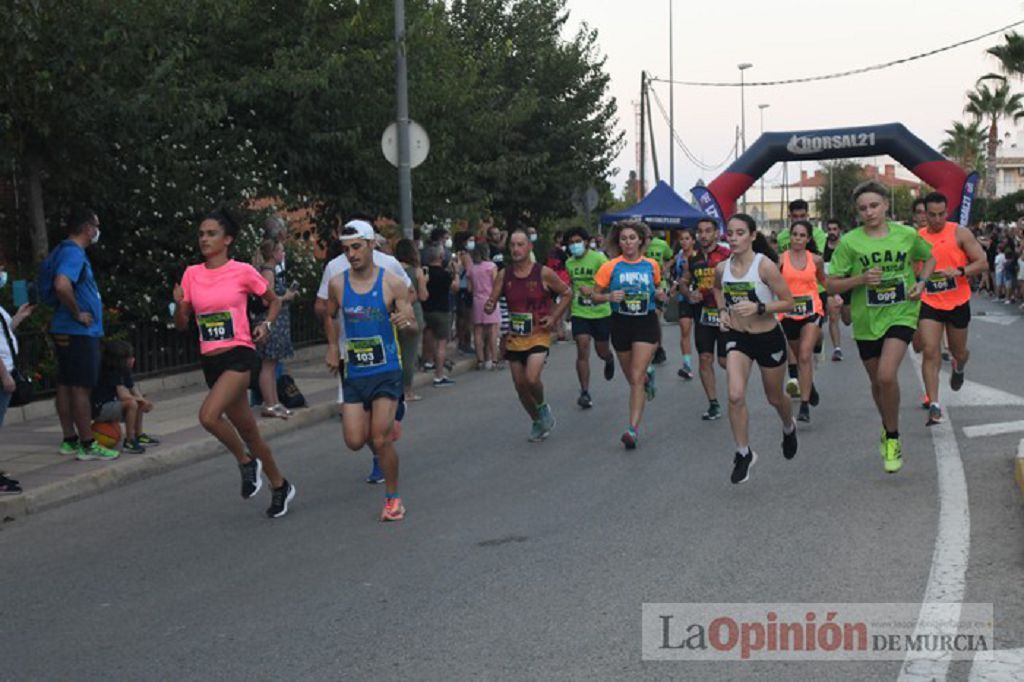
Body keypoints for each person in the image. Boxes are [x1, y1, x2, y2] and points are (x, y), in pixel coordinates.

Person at [173, 208, 296, 518]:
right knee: (251, 432)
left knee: (208, 416)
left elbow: (274, 300)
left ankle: (245, 462)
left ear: (227, 239)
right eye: (201, 233)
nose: (204, 238)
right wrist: (178, 304)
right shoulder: (191, 274)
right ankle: (280, 485)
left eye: (211, 233)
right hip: (211, 361)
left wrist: (266, 325)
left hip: (240, 356)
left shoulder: (242, 271)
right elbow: (182, 324)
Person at [826, 182, 935, 474]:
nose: (869, 212)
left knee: (887, 376)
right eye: (862, 208)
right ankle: (887, 428)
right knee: (878, 384)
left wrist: (921, 283)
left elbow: (929, 257)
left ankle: (894, 437)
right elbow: (831, 282)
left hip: (902, 312)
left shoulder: (907, 235)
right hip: (866, 320)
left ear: (886, 205)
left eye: (874, 205)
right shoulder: (850, 242)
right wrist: (859, 280)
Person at [324, 220, 417, 522]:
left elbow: (410, 321)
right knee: (354, 440)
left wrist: (407, 323)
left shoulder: (392, 282)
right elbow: (330, 316)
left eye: (356, 247)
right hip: (355, 372)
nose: (351, 254)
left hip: (387, 369)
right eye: (346, 249)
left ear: (371, 245)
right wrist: (330, 347)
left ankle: (393, 499)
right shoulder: (337, 283)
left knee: (379, 440)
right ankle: (386, 427)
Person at [715, 214, 797, 483]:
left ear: (752, 236)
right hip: (738, 337)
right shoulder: (721, 268)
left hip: (767, 337)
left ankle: (788, 426)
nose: (734, 238)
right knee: (735, 395)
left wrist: (760, 307)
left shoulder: (765, 267)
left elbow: (788, 302)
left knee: (775, 398)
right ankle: (743, 452)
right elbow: (717, 290)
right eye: (730, 233)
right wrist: (722, 312)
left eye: (740, 233)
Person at [44, 208, 118, 461]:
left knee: (65, 384)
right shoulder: (74, 253)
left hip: (64, 329)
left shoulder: (61, 250)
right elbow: (62, 284)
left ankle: (70, 439)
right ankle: (88, 443)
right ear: (88, 228)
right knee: (80, 387)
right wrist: (77, 313)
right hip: (78, 331)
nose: (98, 230)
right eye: (96, 225)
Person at [484, 228, 571, 441]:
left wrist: (553, 318)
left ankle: (542, 407)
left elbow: (568, 293)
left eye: (520, 244)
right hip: (515, 336)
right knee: (520, 386)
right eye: (513, 245)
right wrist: (489, 305)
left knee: (532, 379)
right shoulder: (504, 275)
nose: (516, 249)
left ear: (529, 247)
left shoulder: (542, 272)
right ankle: (537, 421)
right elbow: (492, 299)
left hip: (538, 333)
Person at [592, 222, 666, 448]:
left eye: (632, 238)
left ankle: (632, 429)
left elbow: (657, 287)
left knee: (634, 378)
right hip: (621, 324)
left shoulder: (651, 265)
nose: (628, 242)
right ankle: (647, 377)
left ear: (641, 241)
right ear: (618, 242)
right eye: (624, 238)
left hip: (645, 323)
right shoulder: (610, 267)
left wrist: (661, 294)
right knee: (632, 377)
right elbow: (594, 295)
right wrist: (608, 297)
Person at [916, 191, 987, 426]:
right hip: (930, 302)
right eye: (932, 215)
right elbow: (911, 270)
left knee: (959, 352)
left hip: (957, 300)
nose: (937, 219)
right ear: (924, 214)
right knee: (930, 350)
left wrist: (959, 271)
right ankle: (934, 405)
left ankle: (959, 366)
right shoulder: (917, 237)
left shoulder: (959, 232)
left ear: (947, 212)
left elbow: (982, 261)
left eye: (941, 214)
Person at [778, 221, 826, 423]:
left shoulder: (816, 260)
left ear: (808, 239)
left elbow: (824, 282)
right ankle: (809, 385)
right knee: (797, 358)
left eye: (802, 235)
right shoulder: (780, 259)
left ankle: (804, 406)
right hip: (788, 314)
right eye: (794, 235)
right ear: (790, 237)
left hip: (812, 310)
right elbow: (771, 282)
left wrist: (836, 296)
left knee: (805, 355)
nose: (797, 239)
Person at [685, 217, 731, 420]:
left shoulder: (726, 255)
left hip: (724, 313)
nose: (703, 235)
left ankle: (736, 394)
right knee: (705, 358)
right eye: (700, 231)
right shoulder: (692, 257)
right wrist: (688, 294)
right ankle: (713, 403)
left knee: (723, 361)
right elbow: (685, 281)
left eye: (708, 231)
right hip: (703, 314)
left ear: (716, 233)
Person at [564, 227, 615, 408]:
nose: (574, 245)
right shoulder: (569, 263)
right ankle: (584, 391)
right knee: (582, 347)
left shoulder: (599, 259)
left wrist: (594, 292)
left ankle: (609, 358)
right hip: (580, 312)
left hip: (601, 311)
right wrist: (568, 311)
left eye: (577, 241)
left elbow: (610, 283)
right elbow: (570, 287)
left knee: (601, 350)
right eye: (571, 243)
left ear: (586, 241)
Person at [91, 339, 159, 454]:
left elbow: (132, 388)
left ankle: (139, 435)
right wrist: (140, 400)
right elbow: (123, 395)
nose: (132, 359)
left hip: (110, 405)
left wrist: (143, 401)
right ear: (118, 360)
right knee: (132, 404)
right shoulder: (111, 372)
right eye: (128, 357)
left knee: (138, 403)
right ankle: (129, 440)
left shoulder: (124, 370)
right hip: (100, 409)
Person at [254, 239, 297, 419]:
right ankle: (269, 403)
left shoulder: (271, 271)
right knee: (268, 365)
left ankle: (275, 402)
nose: (283, 254)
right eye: (281, 250)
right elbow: (266, 299)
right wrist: (285, 296)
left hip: (277, 322)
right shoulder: (268, 272)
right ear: (273, 253)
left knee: (272, 365)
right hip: (270, 322)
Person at [395, 238, 427, 401]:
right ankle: (407, 390)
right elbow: (423, 295)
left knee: (397, 352)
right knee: (410, 354)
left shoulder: (392, 270)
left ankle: (395, 387)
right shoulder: (417, 271)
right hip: (413, 313)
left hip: (395, 313)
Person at [422, 245, 459, 386]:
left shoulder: (425, 272)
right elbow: (454, 287)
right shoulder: (444, 274)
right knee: (441, 344)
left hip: (427, 310)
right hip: (442, 311)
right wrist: (455, 272)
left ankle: (428, 361)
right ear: (441, 257)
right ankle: (439, 375)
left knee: (429, 337)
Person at [468, 241, 500, 369]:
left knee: (478, 331)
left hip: (477, 300)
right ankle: (494, 359)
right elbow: (496, 284)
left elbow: (470, 288)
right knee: (492, 330)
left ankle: (480, 360)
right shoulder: (491, 266)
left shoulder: (472, 268)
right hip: (490, 299)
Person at [822, 218, 850, 360]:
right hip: (830, 287)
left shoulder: (845, 246)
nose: (832, 232)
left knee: (847, 319)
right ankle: (837, 349)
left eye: (834, 229)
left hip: (846, 286)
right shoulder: (823, 246)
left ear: (839, 231)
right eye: (830, 229)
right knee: (834, 318)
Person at [670, 230, 697, 380]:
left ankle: (707, 360)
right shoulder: (679, 256)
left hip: (699, 297)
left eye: (687, 239)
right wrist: (674, 286)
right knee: (685, 330)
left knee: (701, 333)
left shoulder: (699, 256)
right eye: (682, 239)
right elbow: (679, 276)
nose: (684, 242)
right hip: (683, 298)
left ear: (693, 240)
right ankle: (687, 365)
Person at [645, 230, 674, 365]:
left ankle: (658, 347)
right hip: (642, 285)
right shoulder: (636, 247)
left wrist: (665, 268)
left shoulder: (661, 244)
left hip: (659, 284)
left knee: (655, 316)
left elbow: (671, 257)